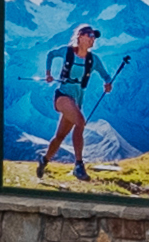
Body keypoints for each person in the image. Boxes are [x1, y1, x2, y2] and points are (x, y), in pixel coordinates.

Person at [38, 23, 110, 179]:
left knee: (60, 136)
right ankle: (79, 165)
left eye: (94, 37)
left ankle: (44, 160)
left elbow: (106, 75)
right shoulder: (67, 52)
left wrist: (108, 83)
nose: (93, 39)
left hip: (77, 99)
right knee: (80, 122)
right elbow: (51, 54)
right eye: (90, 36)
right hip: (62, 96)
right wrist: (48, 73)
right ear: (80, 37)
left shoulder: (93, 60)